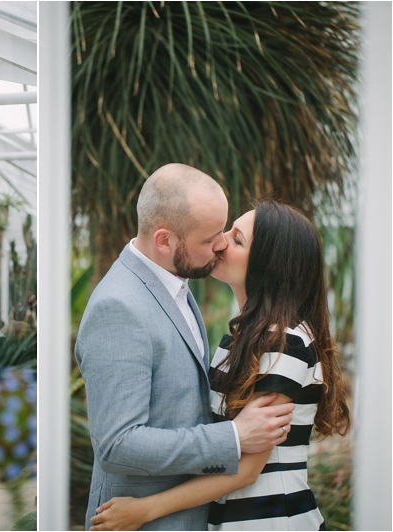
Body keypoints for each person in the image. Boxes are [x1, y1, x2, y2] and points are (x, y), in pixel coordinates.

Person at [89, 201, 350, 530]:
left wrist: (144, 510)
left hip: (271, 520)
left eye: (237, 239)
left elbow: (247, 469)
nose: (221, 241)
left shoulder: (284, 342)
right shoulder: (243, 339)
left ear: (268, 264)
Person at [74, 164, 296, 531]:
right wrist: (234, 436)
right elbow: (117, 444)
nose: (221, 243)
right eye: (210, 238)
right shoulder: (119, 307)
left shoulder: (174, 283)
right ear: (165, 241)